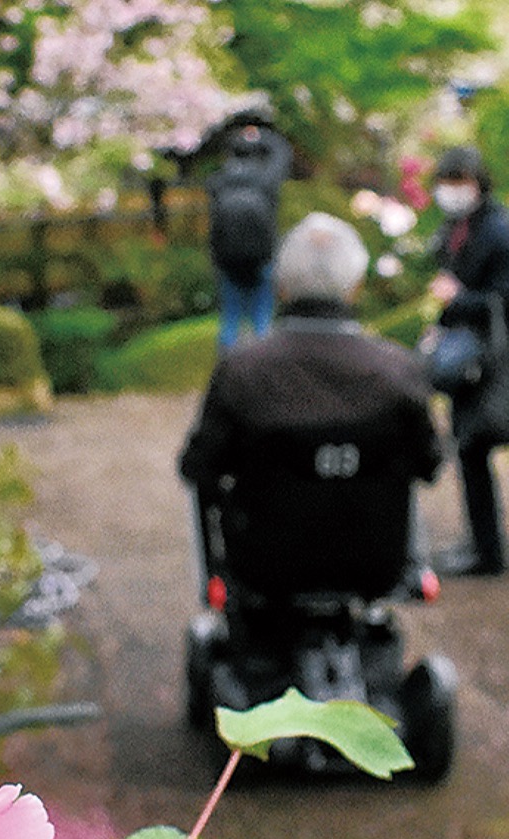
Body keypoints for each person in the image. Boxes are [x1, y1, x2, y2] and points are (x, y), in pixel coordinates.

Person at [180, 211, 443, 601]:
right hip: (374, 565)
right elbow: (430, 463)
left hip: (266, 565)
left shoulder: (243, 371)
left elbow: (199, 466)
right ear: (355, 287)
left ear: (282, 287)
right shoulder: (398, 372)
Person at [427, 144, 509, 575]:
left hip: (494, 361)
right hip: (470, 359)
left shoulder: (498, 230)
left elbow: (501, 297)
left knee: (477, 447)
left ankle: (488, 550)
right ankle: (485, 547)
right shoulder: (458, 227)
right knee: (472, 452)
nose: (453, 192)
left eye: (460, 182)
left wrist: (457, 300)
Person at [206, 121, 292, 350]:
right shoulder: (266, 181)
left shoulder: (218, 182)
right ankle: (263, 375)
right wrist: (261, 135)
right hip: (261, 258)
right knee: (262, 321)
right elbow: (283, 152)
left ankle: (226, 373)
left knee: (230, 321)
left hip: (228, 261)